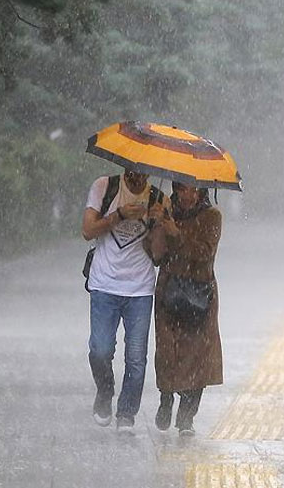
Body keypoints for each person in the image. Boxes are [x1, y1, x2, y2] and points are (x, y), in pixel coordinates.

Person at [81, 168, 167, 432]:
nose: (139, 177)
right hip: (104, 285)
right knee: (100, 349)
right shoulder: (104, 186)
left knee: (136, 356)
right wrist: (118, 215)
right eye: (134, 171)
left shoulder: (158, 198)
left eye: (145, 173)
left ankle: (127, 413)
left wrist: (158, 223)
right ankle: (105, 391)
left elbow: (159, 255)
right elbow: (87, 230)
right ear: (127, 166)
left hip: (139, 289)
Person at [145, 181, 223, 436]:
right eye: (181, 189)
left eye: (193, 189)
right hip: (170, 290)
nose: (187, 195)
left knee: (198, 356)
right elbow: (155, 256)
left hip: (200, 292)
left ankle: (187, 417)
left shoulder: (212, 216)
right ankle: (166, 397)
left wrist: (175, 231)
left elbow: (203, 253)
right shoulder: (166, 209)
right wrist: (156, 226)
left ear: (201, 191)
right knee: (168, 349)